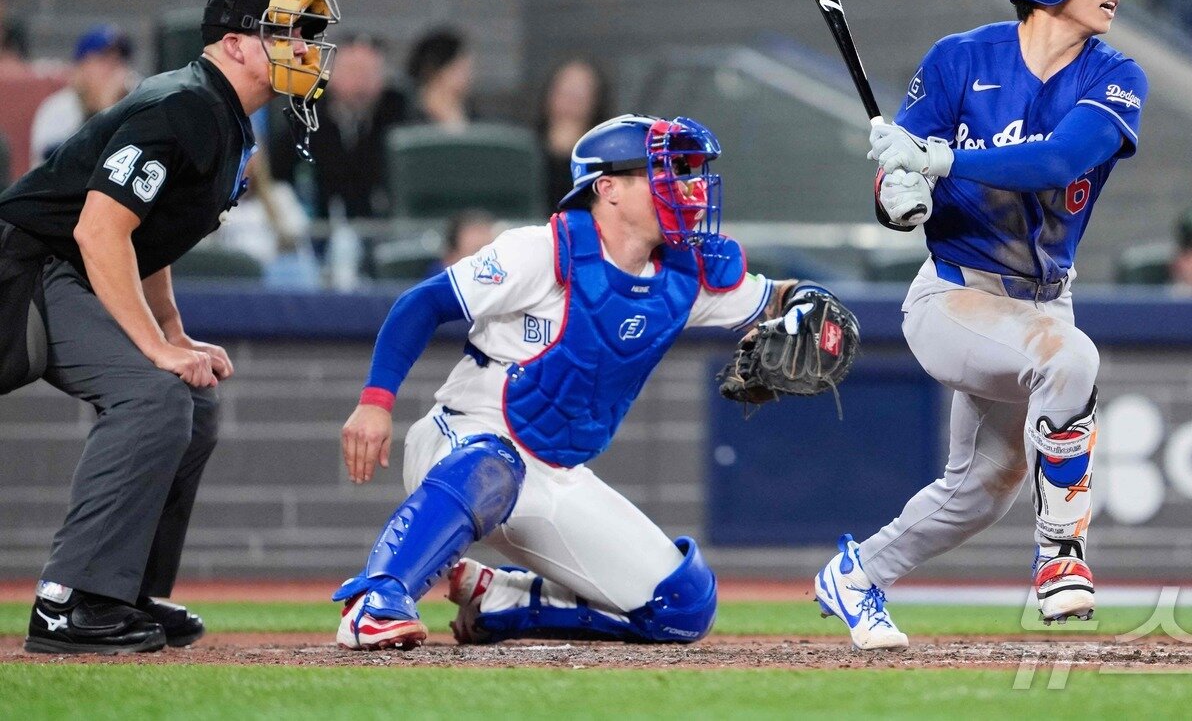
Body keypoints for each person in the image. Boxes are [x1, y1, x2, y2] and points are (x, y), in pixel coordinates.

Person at [333, 114, 840, 650]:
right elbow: (422, 303)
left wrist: (811, 302)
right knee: (493, 464)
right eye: (667, 170)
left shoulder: (684, 275)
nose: (688, 186)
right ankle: (378, 599)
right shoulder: (543, 250)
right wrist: (375, 403)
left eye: (689, 171)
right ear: (609, 188)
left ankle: (499, 601)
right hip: (461, 446)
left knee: (684, 607)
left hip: (552, 476)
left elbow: (777, 296)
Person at [818, 0, 1152, 649]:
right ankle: (1062, 557)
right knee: (1072, 360)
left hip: (1041, 302)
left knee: (980, 490)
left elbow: (1059, 160)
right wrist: (898, 193)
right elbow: (899, 183)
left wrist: (940, 160)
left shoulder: (1117, 74)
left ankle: (857, 574)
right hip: (955, 297)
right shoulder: (958, 60)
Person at [0, 0, 339, 654]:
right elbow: (100, 230)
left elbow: (150, 236)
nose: (304, 48)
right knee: (156, 393)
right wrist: (156, 351)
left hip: (65, 268)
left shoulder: (227, 119)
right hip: (28, 264)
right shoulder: (183, 105)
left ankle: (117, 590)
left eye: (308, 35)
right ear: (237, 43)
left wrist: (173, 331)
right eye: (287, 32)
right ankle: (68, 601)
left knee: (192, 398)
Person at [269, 33, 410, 218]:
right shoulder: (303, 120)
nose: (361, 83)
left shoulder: (398, 120)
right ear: (331, 74)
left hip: (377, 225)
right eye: (353, 71)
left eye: (370, 73)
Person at [29, 24, 133, 165]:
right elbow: (58, 164)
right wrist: (103, 111)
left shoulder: (134, 102)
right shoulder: (58, 108)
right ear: (80, 67)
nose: (112, 68)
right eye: (102, 60)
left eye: (118, 61)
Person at [536, 57, 611, 209]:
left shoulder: (606, 161)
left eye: (580, 91)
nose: (571, 98)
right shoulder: (525, 150)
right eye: (565, 89)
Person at [404, 28, 475, 129]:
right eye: (459, 68)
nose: (467, 76)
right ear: (436, 70)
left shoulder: (471, 114)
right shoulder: (409, 116)